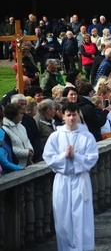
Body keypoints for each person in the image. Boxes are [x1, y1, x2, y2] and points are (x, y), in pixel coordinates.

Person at [43, 102, 99, 251]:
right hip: (63, 180)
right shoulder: (55, 136)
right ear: (63, 116)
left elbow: (92, 158)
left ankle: (82, 248)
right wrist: (64, 156)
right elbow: (48, 158)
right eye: (68, 115)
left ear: (78, 116)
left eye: (74, 115)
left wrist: (76, 157)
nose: (72, 118)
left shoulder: (87, 136)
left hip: (80, 180)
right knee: (63, 220)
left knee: (81, 217)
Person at [2, 103, 33, 167]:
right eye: (20, 113)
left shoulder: (21, 126)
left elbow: (27, 140)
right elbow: (9, 148)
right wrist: (26, 152)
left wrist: (30, 149)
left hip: (27, 162)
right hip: (15, 164)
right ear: (13, 115)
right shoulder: (4, 129)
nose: (23, 115)